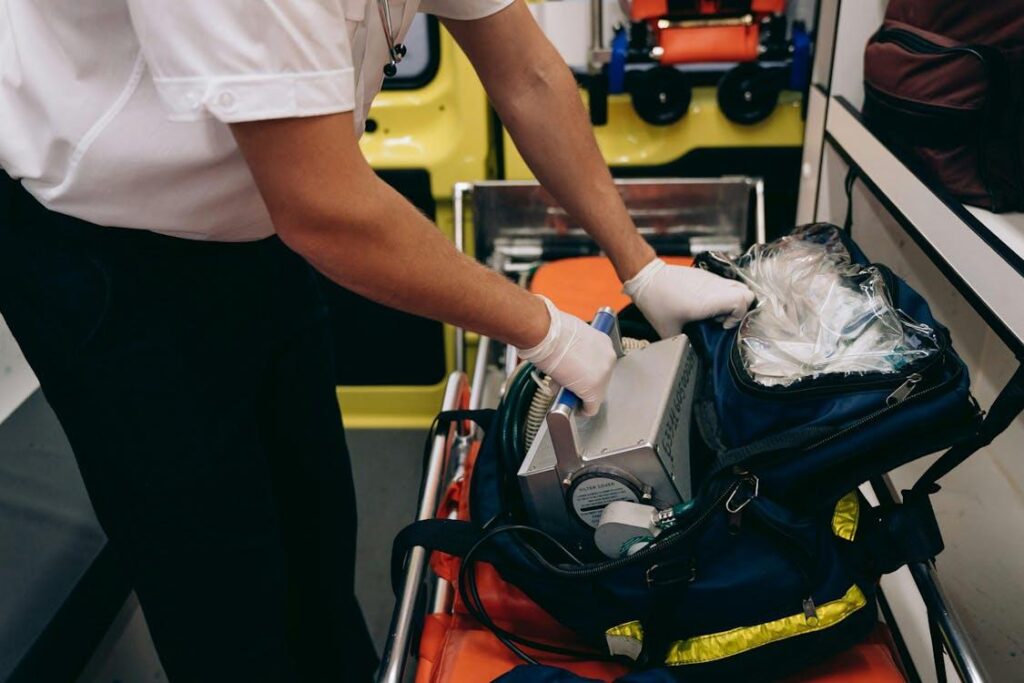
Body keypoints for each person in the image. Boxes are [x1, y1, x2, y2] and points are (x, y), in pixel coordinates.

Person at [0, 1, 753, 680]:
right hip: (100, 243)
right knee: (219, 589)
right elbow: (323, 206)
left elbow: (526, 72)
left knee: (315, 528)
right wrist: (546, 332)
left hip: (252, 217)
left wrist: (642, 267)